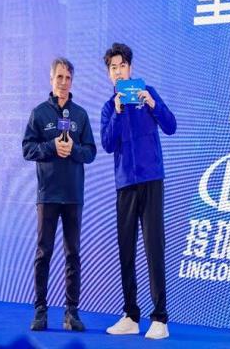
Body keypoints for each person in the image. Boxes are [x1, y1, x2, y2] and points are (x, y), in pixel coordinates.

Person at [100, 43, 176, 339]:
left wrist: (153, 104)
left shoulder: (148, 93)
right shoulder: (110, 107)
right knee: (127, 251)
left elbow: (171, 126)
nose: (119, 71)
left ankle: (160, 319)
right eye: (113, 68)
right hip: (125, 186)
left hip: (152, 180)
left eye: (122, 66)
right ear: (109, 74)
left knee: (154, 248)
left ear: (130, 68)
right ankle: (131, 315)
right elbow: (108, 144)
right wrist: (118, 113)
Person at [22, 57, 96, 331]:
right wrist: (52, 146)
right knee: (44, 253)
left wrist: (73, 149)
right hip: (48, 195)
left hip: (73, 196)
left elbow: (90, 152)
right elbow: (27, 149)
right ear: (51, 79)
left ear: (72, 81)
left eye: (68, 78)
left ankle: (71, 313)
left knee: (73, 254)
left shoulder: (80, 115)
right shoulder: (39, 113)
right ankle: (40, 311)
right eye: (59, 77)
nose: (63, 83)